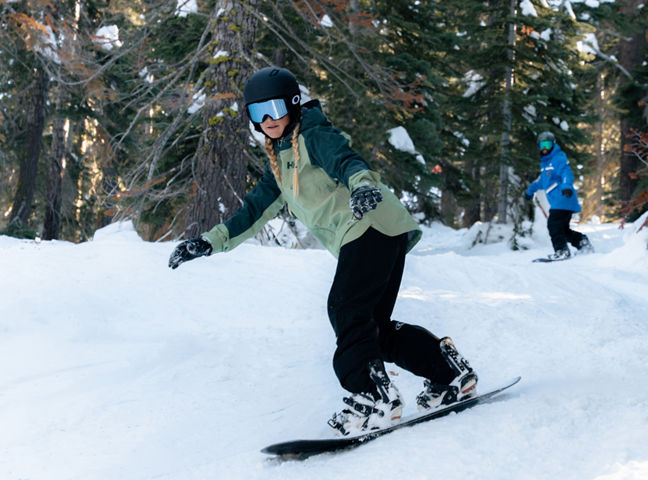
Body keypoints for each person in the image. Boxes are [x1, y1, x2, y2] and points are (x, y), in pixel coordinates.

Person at [167, 66, 477, 436]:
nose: (267, 120)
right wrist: (208, 242)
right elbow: (251, 212)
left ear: (294, 105)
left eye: (275, 109)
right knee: (372, 329)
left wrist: (362, 185)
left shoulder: (313, 134)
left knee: (345, 310)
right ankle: (449, 374)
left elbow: (345, 160)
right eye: (257, 112)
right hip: (382, 230)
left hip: (369, 222)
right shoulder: (281, 163)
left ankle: (372, 396)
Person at [524, 131, 593, 260]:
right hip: (559, 201)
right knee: (562, 230)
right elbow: (542, 182)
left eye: (547, 144)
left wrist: (566, 186)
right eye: (542, 145)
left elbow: (566, 173)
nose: (545, 148)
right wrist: (530, 191)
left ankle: (561, 251)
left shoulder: (558, 158)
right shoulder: (545, 163)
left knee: (553, 224)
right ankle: (582, 242)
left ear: (553, 144)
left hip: (563, 197)